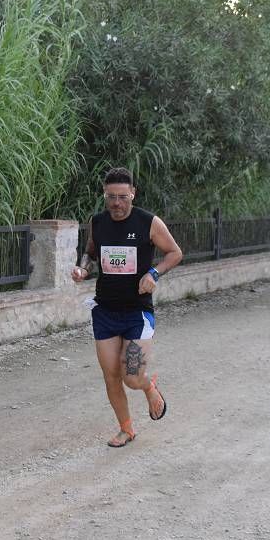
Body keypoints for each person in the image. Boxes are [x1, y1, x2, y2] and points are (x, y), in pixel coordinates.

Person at [72, 167, 183, 448]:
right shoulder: (97, 222)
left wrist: (153, 274)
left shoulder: (148, 222)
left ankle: (148, 386)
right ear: (104, 195)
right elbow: (90, 251)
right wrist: (83, 269)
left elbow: (175, 252)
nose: (117, 203)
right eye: (111, 197)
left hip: (137, 312)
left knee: (131, 377)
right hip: (105, 311)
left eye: (123, 196)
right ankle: (126, 429)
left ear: (133, 193)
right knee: (111, 376)